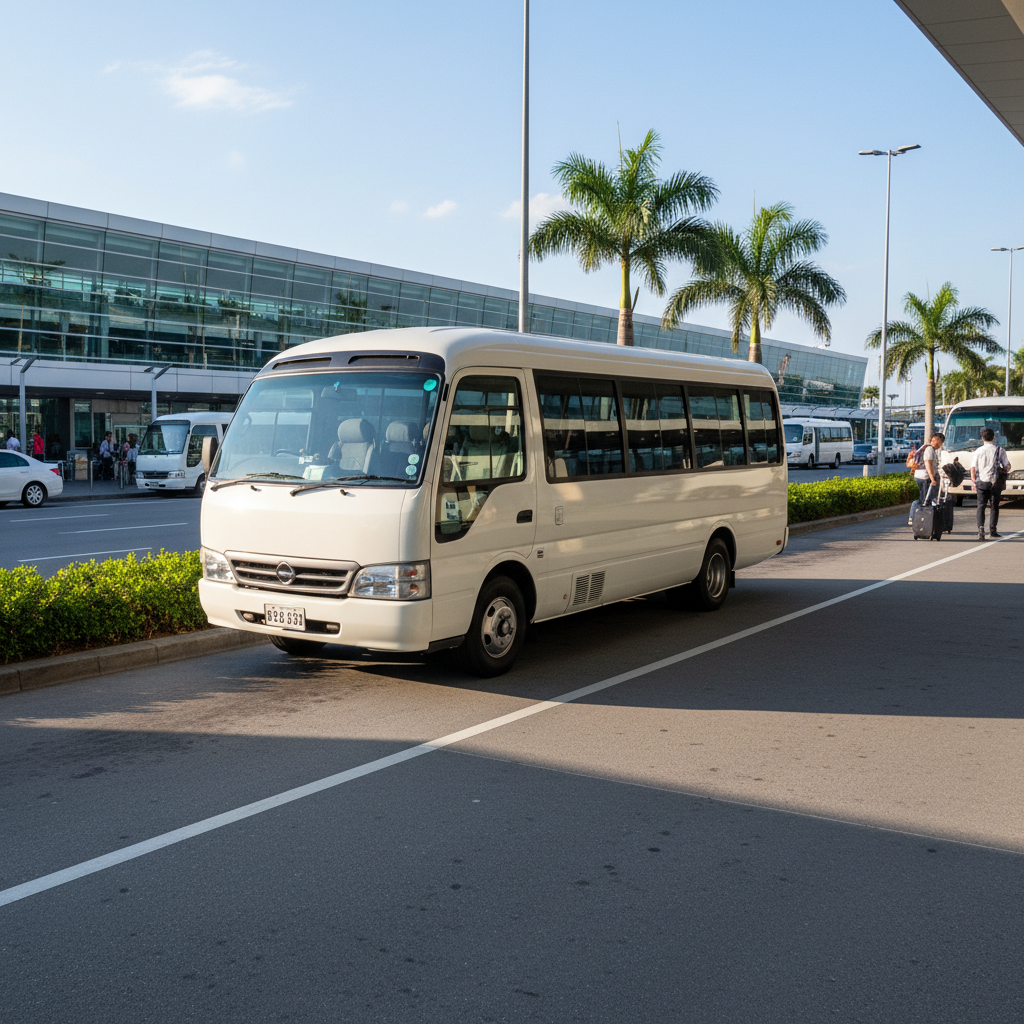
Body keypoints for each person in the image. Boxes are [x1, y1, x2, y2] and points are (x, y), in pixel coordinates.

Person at [971, 427, 1011, 541]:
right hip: (995, 483)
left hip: (982, 482)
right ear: (994, 437)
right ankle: (993, 530)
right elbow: (1007, 466)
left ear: (982, 438)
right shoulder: (1000, 450)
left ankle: (981, 529)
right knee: (994, 506)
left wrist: (974, 481)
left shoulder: (978, 451)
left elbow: (972, 468)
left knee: (981, 506)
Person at [912, 432, 944, 505]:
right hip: (924, 477)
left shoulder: (927, 447)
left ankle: (922, 513)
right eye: (941, 442)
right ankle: (923, 514)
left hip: (919, 475)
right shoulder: (929, 449)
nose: (941, 444)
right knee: (926, 499)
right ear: (938, 442)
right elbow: (928, 464)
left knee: (924, 497)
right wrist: (932, 479)